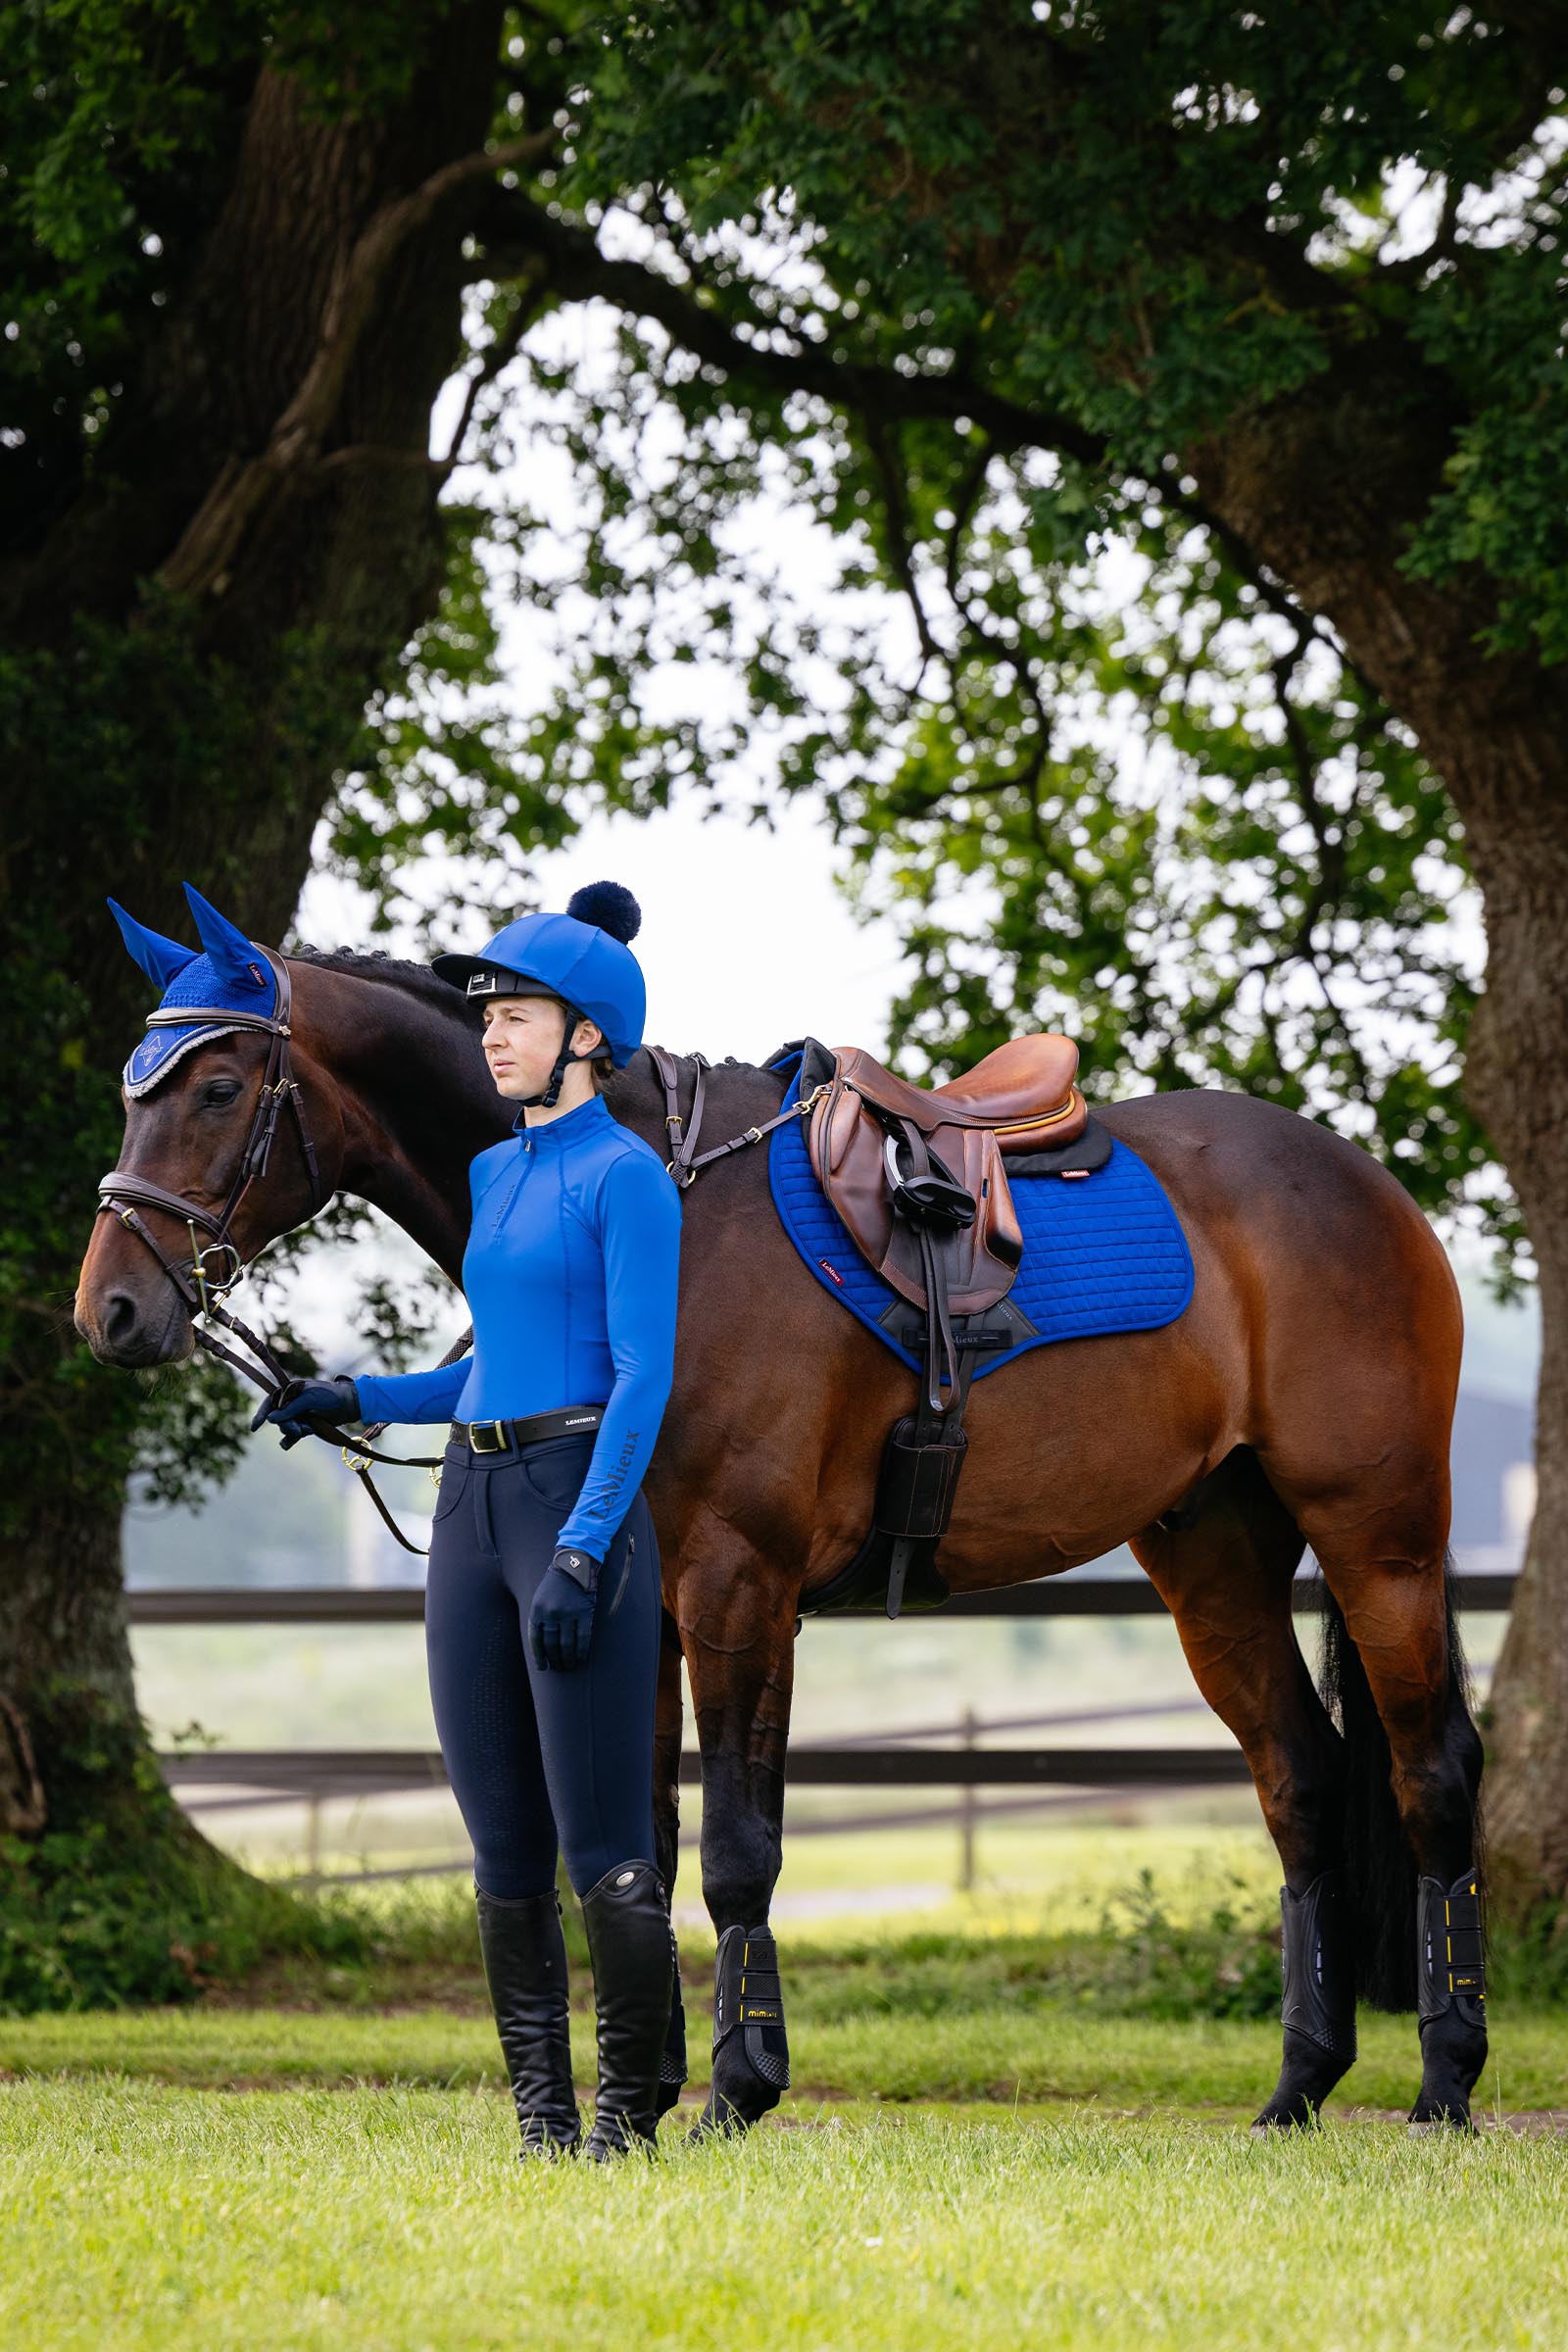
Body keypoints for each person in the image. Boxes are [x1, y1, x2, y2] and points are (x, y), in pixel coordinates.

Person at [257, 881, 683, 2161]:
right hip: (470, 1505)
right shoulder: (495, 1172)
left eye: (517, 1012)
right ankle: (544, 2124)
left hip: (569, 1507)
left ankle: (626, 2114)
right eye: (485, 1011)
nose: (490, 1032)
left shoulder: (632, 1180)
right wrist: (361, 1394)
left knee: (605, 1847)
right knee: (501, 1848)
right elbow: (490, 1364)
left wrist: (584, 1548)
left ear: (588, 1034)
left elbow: (640, 1379)